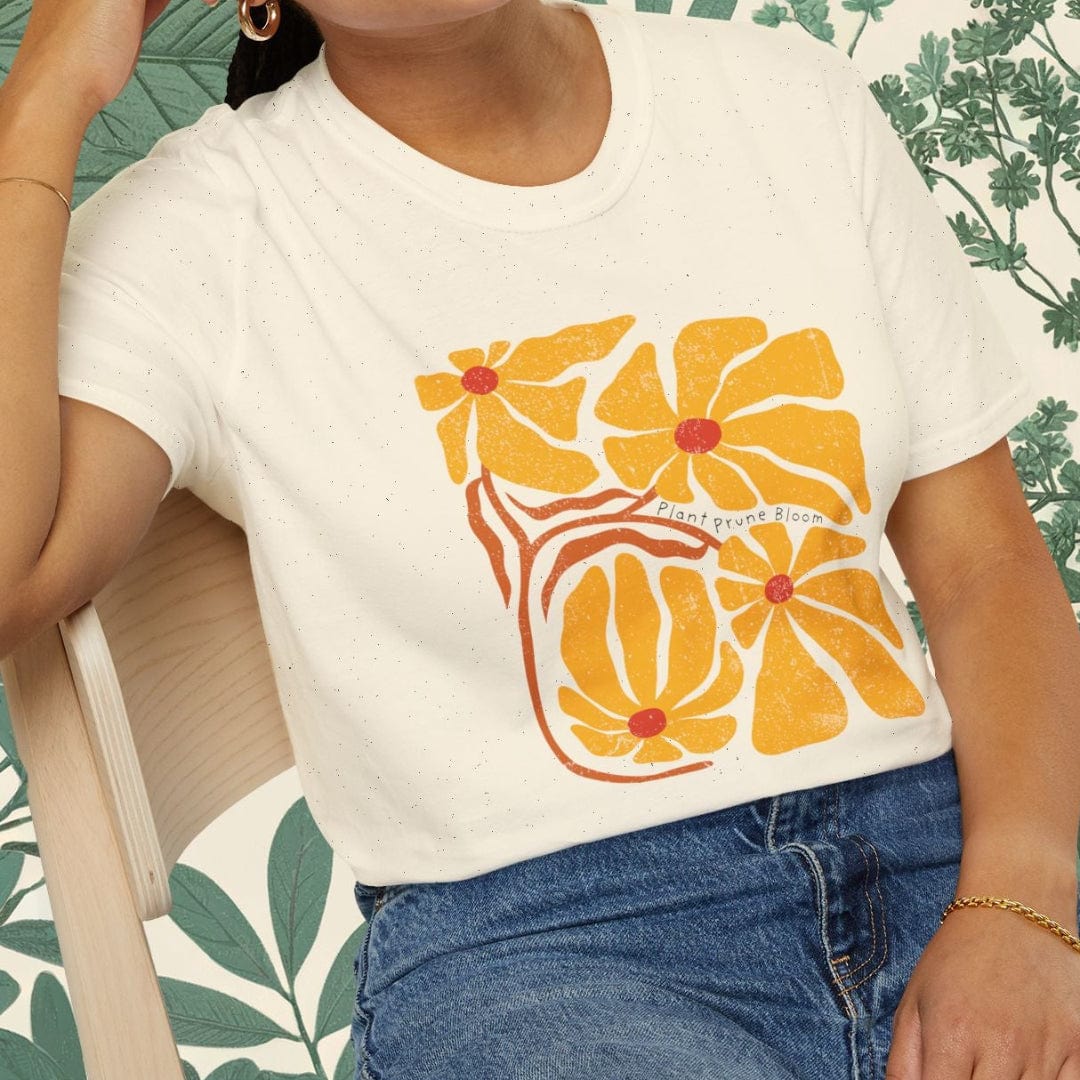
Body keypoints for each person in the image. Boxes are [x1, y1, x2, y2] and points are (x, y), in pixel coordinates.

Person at [2, 0, 1079, 1076]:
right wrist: (48, 93)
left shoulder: (789, 102)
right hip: (540, 953)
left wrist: (1023, 903)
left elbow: (983, 566)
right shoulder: (209, 229)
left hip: (952, 851)